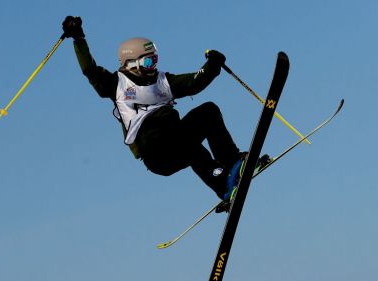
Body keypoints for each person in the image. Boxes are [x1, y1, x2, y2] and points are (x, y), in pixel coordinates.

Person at [62, 16, 269, 210]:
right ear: (131, 64)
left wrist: (212, 66)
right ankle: (225, 180)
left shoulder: (162, 81)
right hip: (156, 153)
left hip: (177, 139)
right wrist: (79, 38)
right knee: (191, 145)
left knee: (208, 114)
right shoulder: (116, 84)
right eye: (148, 62)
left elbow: (194, 82)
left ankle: (230, 171)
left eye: (155, 60)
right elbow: (90, 70)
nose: (153, 67)